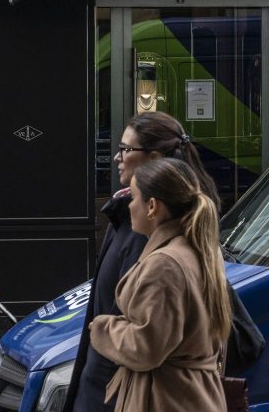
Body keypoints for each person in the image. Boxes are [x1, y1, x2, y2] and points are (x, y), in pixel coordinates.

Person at [65, 113, 218, 412]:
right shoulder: (169, 237)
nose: (116, 158)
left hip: (137, 392)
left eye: (125, 149)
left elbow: (147, 343)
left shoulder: (157, 251)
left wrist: (104, 328)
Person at [89, 157, 230, 412]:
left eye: (133, 198)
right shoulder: (201, 248)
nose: (129, 206)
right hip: (195, 394)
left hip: (164, 399)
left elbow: (146, 347)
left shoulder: (165, 264)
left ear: (152, 206)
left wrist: (103, 327)